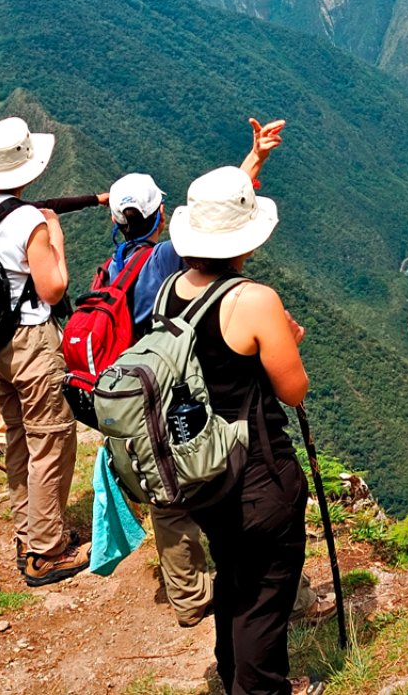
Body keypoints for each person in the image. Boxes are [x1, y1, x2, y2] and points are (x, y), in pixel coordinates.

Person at [100, 118, 285, 627]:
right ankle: (258, 588)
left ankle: (187, 596)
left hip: (137, 393)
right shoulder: (166, 260)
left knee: (166, 495)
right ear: (161, 218)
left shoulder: (115, 266)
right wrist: (253, 164)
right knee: (210, 486)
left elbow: (214, 218)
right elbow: (220, 229)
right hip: (181, 391)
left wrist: (254, 162)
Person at [166, 165, 310, 695]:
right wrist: (289, 339)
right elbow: (293, 391)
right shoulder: (252, 299)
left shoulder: (168, 293)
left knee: (234, 577)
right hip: (258, 474)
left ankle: (232, 678)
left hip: (200, 472)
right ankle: (261, 688)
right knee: (265, 595)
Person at [0, 116, 89, 585]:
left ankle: (29, 532)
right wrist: (55, 234)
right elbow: (54, 288)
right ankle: (46, 551)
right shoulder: (29, 221)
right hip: (32, 341)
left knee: (19, 436)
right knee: (52, 439)